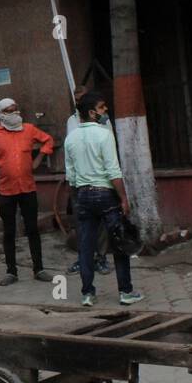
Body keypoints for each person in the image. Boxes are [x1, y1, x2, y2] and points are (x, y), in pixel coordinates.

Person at [64, 91, 142, 307]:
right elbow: (113, 172)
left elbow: (70, 175)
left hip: (83, 195)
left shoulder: (71, 138)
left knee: (86, 246)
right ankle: (125, 292)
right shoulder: (104, 134)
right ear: (91, 113)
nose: (105, 111)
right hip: (106, 194)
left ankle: (87, 293)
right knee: (119, 242)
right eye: (102, 108)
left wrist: (79, 195)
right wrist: (124, 197)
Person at [0, 97, 55, 285]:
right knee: (9, 231)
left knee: (32, 229)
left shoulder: (28, 129)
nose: (14, 114)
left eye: (15, 109)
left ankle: (39, 268)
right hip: (6, 190)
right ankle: (11, 271)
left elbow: (48, 140)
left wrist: (38, 159)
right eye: (9, 111)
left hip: (28, 188)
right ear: (1, 114)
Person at [64, 86, 110, 276]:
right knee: (82, 222)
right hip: (79, 181)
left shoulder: (103, 123)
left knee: (101, 223)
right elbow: (70, 151)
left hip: (100, 179)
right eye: (76, 99)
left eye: (82, 98)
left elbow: (109, 153)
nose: (79, 102)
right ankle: (84, 259)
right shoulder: (71, 121)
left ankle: (102, 258)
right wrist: (71, 181)